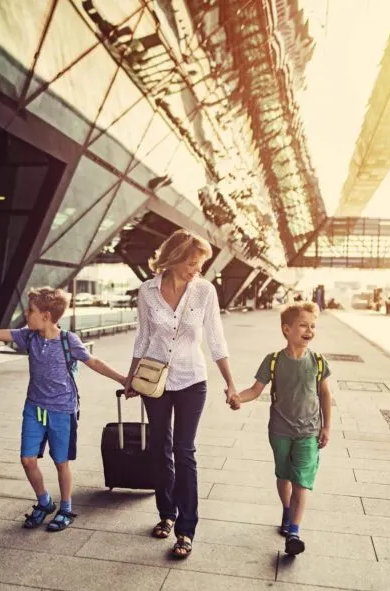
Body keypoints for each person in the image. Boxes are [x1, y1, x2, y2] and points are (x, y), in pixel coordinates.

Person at [0, 287, 127, 531]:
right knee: (27, 460)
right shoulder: (28, 336)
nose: (26, 315)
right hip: (34, 408)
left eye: (31, 311)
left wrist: (124, 380)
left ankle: (66, 509)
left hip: (62, 410)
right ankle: (45, 502)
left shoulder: (68, 340)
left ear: (47, 316)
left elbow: (94, 362)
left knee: (61, 462)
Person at [125, 230, 236, 559]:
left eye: (200, 264)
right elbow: (143, 337)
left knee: (184, 451)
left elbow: (216, 340)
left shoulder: (204, 292)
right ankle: (166, 514)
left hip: (192, 380)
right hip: (155, 381)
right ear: (173, 259)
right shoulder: (147, 291)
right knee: (160, 447)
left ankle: (186, 529)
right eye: (191, 263)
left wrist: (230, 382)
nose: (196, 270)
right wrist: (131, 377)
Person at [228, 301, 332, 556]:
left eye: (313, 326)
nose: (309, 330)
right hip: (280, 431)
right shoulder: (273, 360)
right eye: (303, 325)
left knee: (301, 483)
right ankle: (286, 511)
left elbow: (325, 395)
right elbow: (255, 390)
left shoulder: (318, 361)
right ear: (287, 329)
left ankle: (294, 531)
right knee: (283, 475)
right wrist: (238, 398)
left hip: (309, 432)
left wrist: (326, 426)